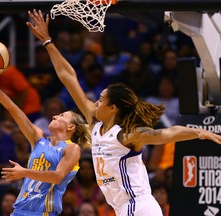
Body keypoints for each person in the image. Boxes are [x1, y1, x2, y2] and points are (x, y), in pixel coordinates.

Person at [26, 9, 221, 216]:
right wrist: (48, 42)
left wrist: (199, 132)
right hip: (123, 208)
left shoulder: (126, 135)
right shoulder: (96, 123)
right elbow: (68, 76)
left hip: (139, 206)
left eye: (101, 100)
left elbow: (165, 134)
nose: (96, 102)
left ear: (112, 108)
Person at [0, 59, 91, 216]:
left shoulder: (72, 148)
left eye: (62, 115)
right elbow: (12, 108)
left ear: (71, 127)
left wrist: (24, 172)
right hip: (19, 211)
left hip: (43, 212)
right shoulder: (38, 138)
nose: (55, 115)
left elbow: (57, 177)